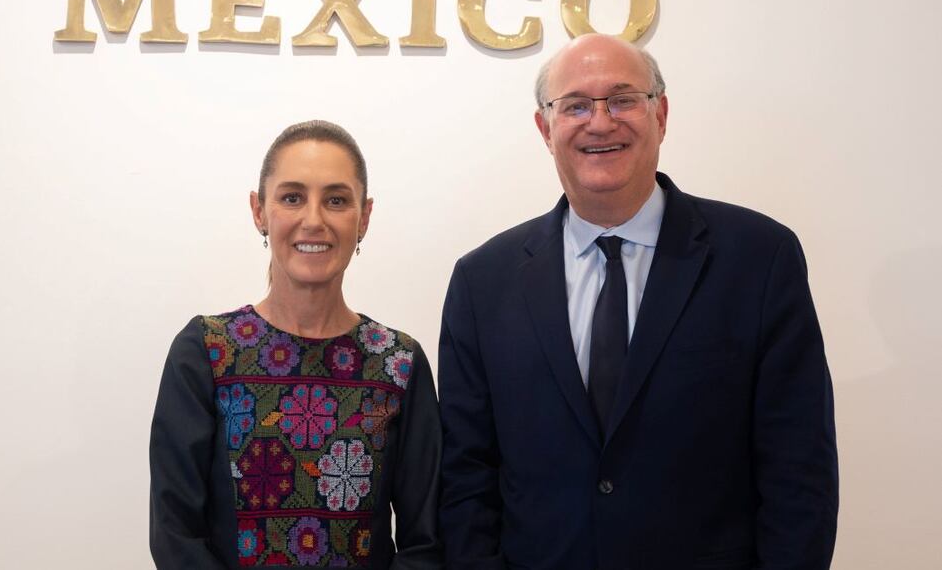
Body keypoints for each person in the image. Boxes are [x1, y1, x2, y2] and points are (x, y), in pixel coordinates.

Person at [437, 34, 838, 570]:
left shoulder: (759, 259)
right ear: (545, 129)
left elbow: (798, 470)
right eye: (575, 105)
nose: (600, 122)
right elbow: (467, 477)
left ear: (661, 115)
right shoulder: (482, 281)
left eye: (623, 99)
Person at [150, 120, 442, 569]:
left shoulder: (398, 364)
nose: (313, 220)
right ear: (259, 210)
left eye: (336, 200)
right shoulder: (206, 352)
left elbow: (426, 541)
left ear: (363, 217)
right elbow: (176, 535)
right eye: (292, 197)